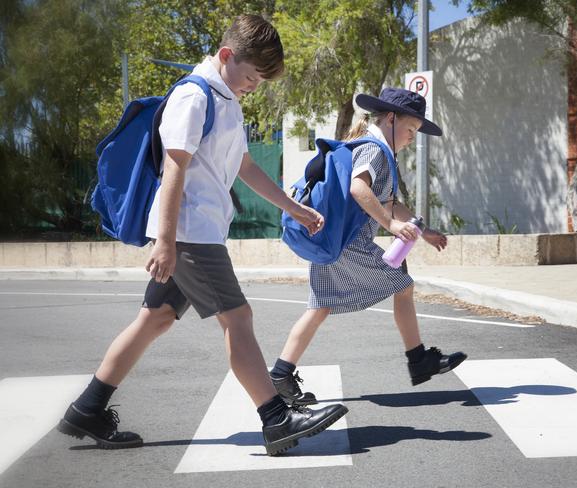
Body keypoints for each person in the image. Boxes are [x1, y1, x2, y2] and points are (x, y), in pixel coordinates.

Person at [57, 14, 347, 456]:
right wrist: (166, 242)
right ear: (227, 56)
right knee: (238, 319)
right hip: (190, 234)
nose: (254, 85)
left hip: (197, 231)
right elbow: (175, 168)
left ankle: (88, 408)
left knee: (153, 320)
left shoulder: (225, 97)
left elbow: (244, 167)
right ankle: (276, 418)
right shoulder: (194, 97)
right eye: (251, 76)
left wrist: (295, 208)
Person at [270, 88, 467, 406]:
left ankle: (280, 373)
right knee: (403, 286)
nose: (410, 138)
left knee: (319, 307)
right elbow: (358, 187)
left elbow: (389, 202)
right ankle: (418, 360)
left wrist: (424, 230)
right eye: (410, 129)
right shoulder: (374, 149)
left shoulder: (373, 149)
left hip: (332, 241)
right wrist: (391, 226)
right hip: (350, 243)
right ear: (390, 118)